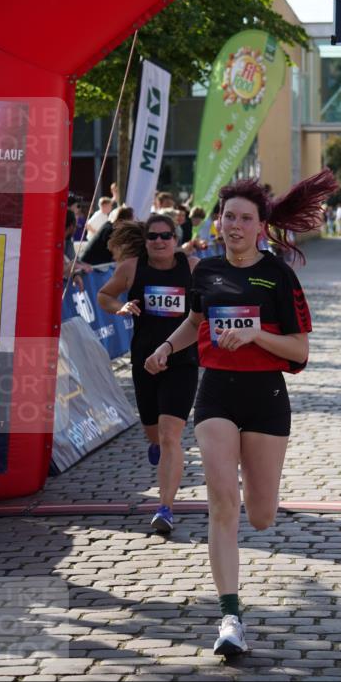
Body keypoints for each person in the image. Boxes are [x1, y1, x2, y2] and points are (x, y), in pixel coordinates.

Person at [144, 171, 338, 658]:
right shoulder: (205, 271)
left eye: (244, 218)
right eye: (228, 216)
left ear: (260, 226)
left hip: (266, 396)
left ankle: (258, 503)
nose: (233, 225)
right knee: (222, 502)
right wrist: (167, 347)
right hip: (215, 394)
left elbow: (299, 351)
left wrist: (255, 336)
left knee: (261, 514)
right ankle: (230, 616)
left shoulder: (277, 275)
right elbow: (194, 321)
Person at [98, 215, 199, 534]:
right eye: (153, 236)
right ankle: (154, 444)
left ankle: (165, 508)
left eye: (166, 236)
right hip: (144, 362)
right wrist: (120, 308)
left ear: (176, 238)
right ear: (145, 240)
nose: (159, 241)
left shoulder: (192, 266)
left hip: (182, 361)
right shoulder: (131, 267)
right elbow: (104, 296)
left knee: (172, 435)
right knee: (154, 433)